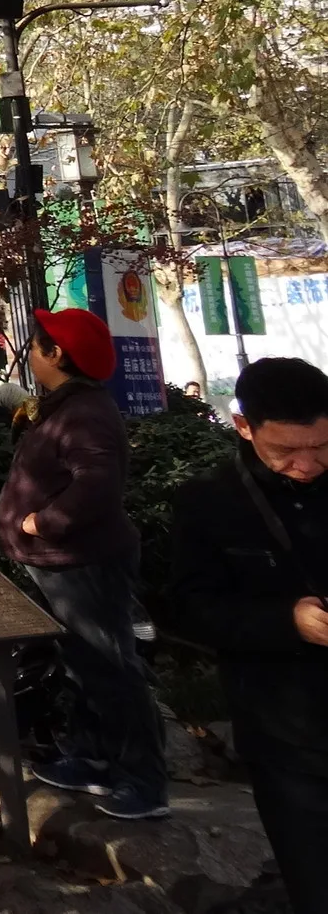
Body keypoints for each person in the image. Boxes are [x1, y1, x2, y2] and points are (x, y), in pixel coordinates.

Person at [0, 308, 168, 821]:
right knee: (83, 664)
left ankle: (144, 780)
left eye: (36, 347)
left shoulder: (85, 412)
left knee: (111, 666)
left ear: (57, 355)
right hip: (63, 562)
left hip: (83, 561)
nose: (30, 353)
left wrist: (43, 523)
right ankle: (93, 757)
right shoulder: (66, 406)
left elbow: (96, 482)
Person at [171, 355, 328, 908]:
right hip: (287, 729)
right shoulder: (209, 502)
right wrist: (286, 622)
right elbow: (187, 609)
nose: (306, 465)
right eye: (286, 451)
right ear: (244, 427)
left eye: (322, 448)